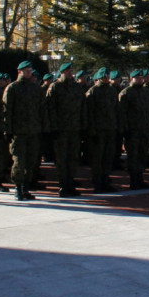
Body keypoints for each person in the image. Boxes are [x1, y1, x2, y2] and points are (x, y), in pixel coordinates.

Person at [3, 61, 44, 201]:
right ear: (19, 71)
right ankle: (18, 188)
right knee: (19, 161)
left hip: (33, 130)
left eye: (30, 71)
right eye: (26, 71)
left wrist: (43, 128)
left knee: (31, 162)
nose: (29, 73)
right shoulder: (12, 88)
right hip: (18, 132)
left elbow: (41, 110)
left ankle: (25, 187)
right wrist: (7, 130)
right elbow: (6, 111)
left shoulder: (35, 88)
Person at [44, 63, 85, 197]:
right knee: (62, 158)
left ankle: (70, 183)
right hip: (61, 129)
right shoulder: (55, 87)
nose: (70, 73)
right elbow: (50, 109)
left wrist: (83, 125)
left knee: (73, 158)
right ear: (61, 72)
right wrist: (53, 128)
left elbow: (82, 108)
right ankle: (63, 185)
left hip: (74, 128)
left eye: (71, 71)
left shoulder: (77, 87)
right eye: (67, 71)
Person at [118, 69, 149, 190]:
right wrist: (124, 129)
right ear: (131, 79)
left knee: (143, 154)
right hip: (132, 129)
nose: (140, 79)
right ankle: (134, 180)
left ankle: (140, 178)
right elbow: (122, 113)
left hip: (144, 128)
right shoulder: (126, 92)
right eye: (137, 78)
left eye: (141, 78)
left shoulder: (146, 92)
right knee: (133, 155)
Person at [85, 68, 119, 193]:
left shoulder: (111, 90)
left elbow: (115, 109)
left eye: (107, 76)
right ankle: (98, 182)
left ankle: (106, 180)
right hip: (98, 129)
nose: (106, 78)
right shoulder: (93, 91)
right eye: (104, 76)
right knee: (98, 158)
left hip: (110, 128)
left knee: (108, 156)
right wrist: (91, 129)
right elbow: (89, 112)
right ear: (99, 77)